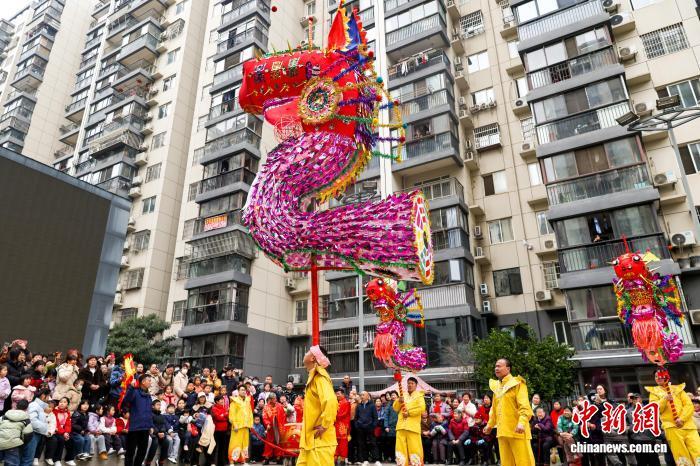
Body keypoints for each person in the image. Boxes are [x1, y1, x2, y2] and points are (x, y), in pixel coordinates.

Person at [483, 358, 535, 466]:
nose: (496, 368)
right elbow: (494, 409)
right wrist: (489, 425)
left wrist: (522, 422)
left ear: (508, 368)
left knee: (524, 462)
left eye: (499, 366)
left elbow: (524, 406)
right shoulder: (497, 387)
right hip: (502, 431)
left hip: (517, 430)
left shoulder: (518, 383)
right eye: (495, 366)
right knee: (506, 463)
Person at [646, 369, 700, 464]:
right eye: (656, 376)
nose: (657, 378)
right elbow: (655, 409)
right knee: (680, 453)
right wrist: (664, 399)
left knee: (697, 449)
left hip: (688, 425)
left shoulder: (678, 389)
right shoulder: (653, 392)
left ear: (666, 376)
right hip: (671, 427)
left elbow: (689, 405)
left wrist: (682, 419)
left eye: (660, 376)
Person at [296, 346, 338, 466]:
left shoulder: (320, 377)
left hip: (319, 442)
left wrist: (325, 425)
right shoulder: (314, 377)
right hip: (310, 441)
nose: (305, 354)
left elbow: (330, 401)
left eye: (307, 352)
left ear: (313, 358)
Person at [122, 374, 155, 466]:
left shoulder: (148, 395)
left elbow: (149, 412)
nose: (150, 382)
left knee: (142, 452)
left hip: (145, 428)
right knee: (130, 452)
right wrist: (131, 388)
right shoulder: (134, 392)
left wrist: (151, 425)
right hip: (134, 427)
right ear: (143, 382)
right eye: (149, 380)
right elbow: (126, 400)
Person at [393, 377, 426, 466]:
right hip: (401, 426)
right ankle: (402, 464)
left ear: (416, 385)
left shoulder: (419, 396)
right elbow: (395, 408)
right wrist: (399, 401)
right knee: (400, 448)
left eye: (412, 383)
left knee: (415, 448)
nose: (410, 385)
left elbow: (421, 408)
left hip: (413, 427)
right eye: (408, 383)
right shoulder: (402, 395)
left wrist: (409, 413)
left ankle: (416, 464)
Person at [625, 394, 660, 466]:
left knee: (654, 462)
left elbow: (657, 422)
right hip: (636, 440)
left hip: (649, 439)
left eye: (636, 398)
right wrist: (630, 428)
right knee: (641, 462)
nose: (635, 400)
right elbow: (625, 425)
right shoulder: (628, 411)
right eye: (633, 399)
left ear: (641, 399)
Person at [0, 399, 33, 466]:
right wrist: (21, 442)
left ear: (16, 406)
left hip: (0, 442)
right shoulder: (26, 419)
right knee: (11, 464)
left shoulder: (4, 416)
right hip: (13, 445)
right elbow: (28, 434)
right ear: (26, 408)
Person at [25, 389, 50, 466]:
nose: (49, 398)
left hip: (37, 433)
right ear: (43, 396)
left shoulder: (40, 406)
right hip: (33, 434)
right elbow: (32, 420)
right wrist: (45, 428)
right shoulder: (34, 405)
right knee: (28, 459)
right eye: (48, 396)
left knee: (29, 458)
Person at [228, 386, 253, 464]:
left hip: (246, 426)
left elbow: (250, 413)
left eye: (244, 390)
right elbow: (232, 414)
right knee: (235, 443)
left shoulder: (247, 401)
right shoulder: (234, 401)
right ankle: (231, 461)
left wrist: (250, 424)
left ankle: (243, 460)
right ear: (238, 391)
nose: (243, 391)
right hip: (237, 426)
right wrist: (234, 424)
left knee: (245, 444)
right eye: (242, 390)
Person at [46, 397, 72, 466]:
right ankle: (55, 459)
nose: (62, 403)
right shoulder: (55, 411)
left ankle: (68, 459)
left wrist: (66, 432)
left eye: (64, 402)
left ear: (67, 404)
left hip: (63, 431)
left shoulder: (67, 413)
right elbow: (56, 423)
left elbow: (68, 424)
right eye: (60, 402)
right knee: (60, 439)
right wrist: (63, 433)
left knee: (71, 439)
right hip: (55, 430)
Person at [355, 391, 378, 464]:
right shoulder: (358, 406)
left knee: (373, 443)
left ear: (368, 396)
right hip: (361, 428)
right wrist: (357, 426)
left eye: (363, 395)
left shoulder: (372, 405)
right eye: (361, 395)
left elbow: (375, 417)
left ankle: (376, 460)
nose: (362, 396)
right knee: (362, 444)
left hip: (370, 428)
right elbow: (356, 417)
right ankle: (365, 460)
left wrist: (373, 426)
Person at [262, 394, 285, 464]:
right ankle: (267, 458)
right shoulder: (266, 407)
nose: (275, 400)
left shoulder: (280, 406)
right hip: (270, 428)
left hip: (278, 427)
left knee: (278, 442)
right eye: (273, 399)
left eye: (275, 398)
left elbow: (283, 415)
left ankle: (278, 457)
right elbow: (264, 417)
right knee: (269, 443)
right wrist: (267, 423)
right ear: (270, 399)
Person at [210, 395, 229, 466]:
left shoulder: (224, 408)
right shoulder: (214, 408)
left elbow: (227, 416)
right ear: (217, 401)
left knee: (222, 447)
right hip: (217, 430)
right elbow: (218, 418)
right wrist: (224, 415)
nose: (222, 401)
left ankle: (221, 463)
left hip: (224, 430)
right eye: (221, 400)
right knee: (215, 447)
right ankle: (212, 462)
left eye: (222, 399)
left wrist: (223, 415)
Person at [335, 388, 351, 466]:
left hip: (343, 426)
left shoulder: (346, 403)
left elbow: (342, 414)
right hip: (336, 426)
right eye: (336, 394)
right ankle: (335, 459)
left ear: (343, 394)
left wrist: (332, 415)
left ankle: (342, 460)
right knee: (335, 443)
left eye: (338, 394)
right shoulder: (337, 402)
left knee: (343, 444)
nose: (337, 395)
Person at [383, 392, 398, 463]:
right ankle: (392, 458)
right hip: (391, 427)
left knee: (399, 444)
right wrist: (386, 426)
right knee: (391, 444)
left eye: (394, 395)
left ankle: (399, 458)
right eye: (392, 395)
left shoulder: (400, 403)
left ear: (397, 396)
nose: (393, 396)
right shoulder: (389, 404)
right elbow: (386, 416)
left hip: (399, 426)